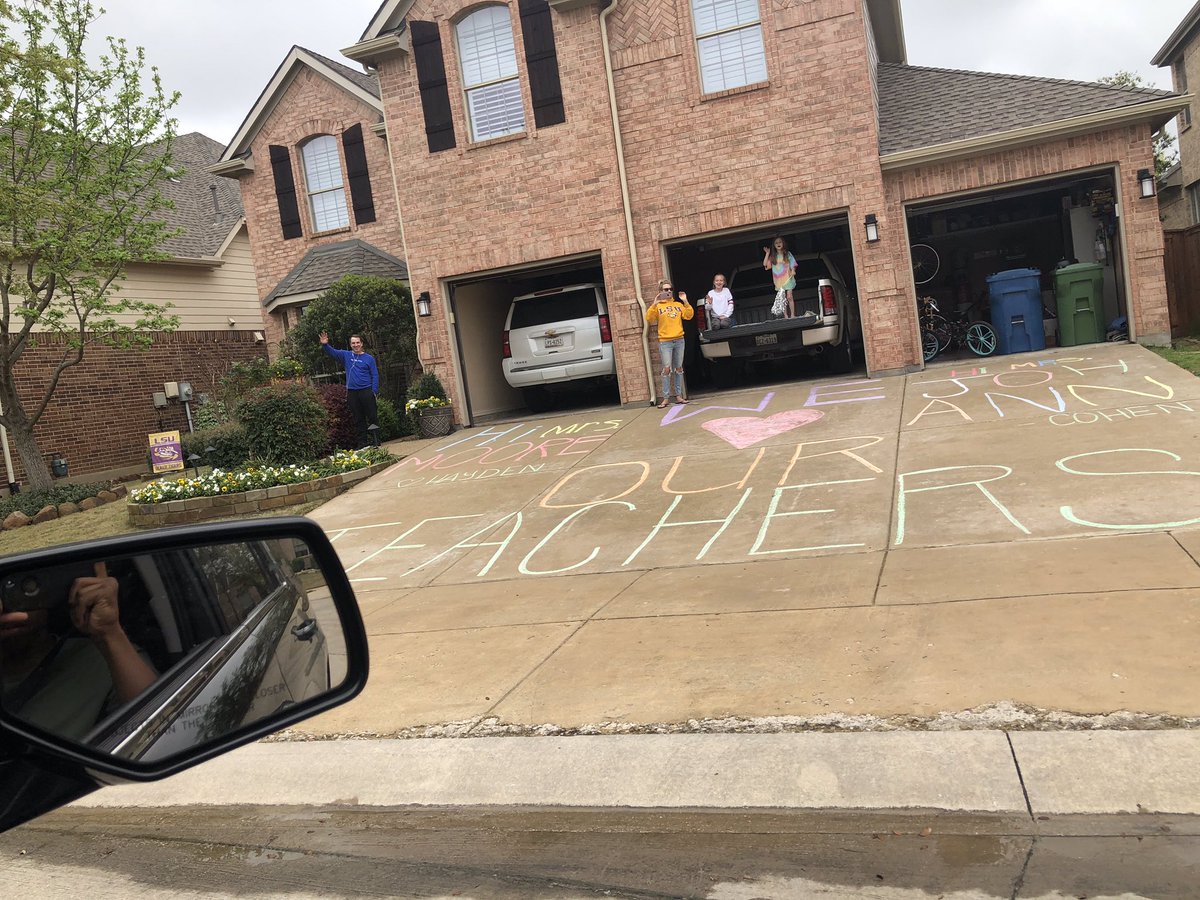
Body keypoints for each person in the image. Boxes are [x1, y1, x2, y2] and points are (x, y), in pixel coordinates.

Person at [1, 563, 158, 743]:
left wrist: (109, 632)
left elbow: (158, 728)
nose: (7, 600)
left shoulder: (100, 660)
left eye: (25, 583)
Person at [319, 332, 380, 448]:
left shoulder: (369, 358)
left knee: (372, 416)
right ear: (350, 344)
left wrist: (374, 391)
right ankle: (363, 442)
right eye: (353, 343)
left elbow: (375, 375)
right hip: (352, 392)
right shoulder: (346, 355)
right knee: (358, 418)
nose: (356, 345)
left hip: (366, 390)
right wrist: (325, 345)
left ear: (361, 344)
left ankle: (376, 440)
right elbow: (333, 353)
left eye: (357, 342)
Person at [645, 279, 693, 409]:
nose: (669, 291)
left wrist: (685, 301)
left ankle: (678, 396)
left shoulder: (678, 304)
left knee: (678, 368)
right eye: (666, 290)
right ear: (660, 291)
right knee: (666, 369)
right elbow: (649, 318)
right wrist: (654, 304)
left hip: (679, 340)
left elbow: (689, 315)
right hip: (665, 341)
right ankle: (665, 398)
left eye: (670, 289)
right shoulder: (659, 306)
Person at [763, 236, 797, 318]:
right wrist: (767, 253)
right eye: (776, 243)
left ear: (783, 243)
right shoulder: (773, 257)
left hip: (788, 278)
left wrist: (793, 270)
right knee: (783, 298)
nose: (778, 244)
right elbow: (765, 265)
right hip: (779, 281)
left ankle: (792, 314)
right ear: (774, 245)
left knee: (789, 296)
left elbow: (793, 263)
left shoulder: (787, 254)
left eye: (780, 242)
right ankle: (786, 316)